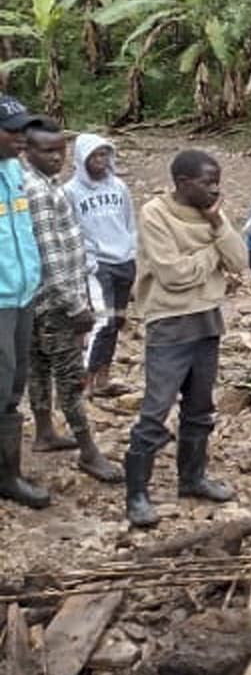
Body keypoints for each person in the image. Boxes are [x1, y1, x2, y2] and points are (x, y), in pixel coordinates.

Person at [123, 149, 248, 528]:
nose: (215, 190)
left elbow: (240, 260)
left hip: (206, 318)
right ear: (182, 183)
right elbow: (173, 275)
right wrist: (213, 253)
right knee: (156, 407)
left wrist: (216, 230)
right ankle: (137, 494)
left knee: (200, 406)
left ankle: (192, 478)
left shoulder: (212, 213)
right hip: (169, 321)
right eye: (207, 183)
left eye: (217, 183)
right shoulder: (155, 214)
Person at [22, 120, 121, 481]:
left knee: (37, 365)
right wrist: (77, 304)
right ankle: (88, 451)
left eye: (61, 152)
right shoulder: (40, 193)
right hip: (57, 302)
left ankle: (45, 430)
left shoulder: (42, 184)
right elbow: (49, 253)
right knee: (70, 376)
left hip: (37, 298)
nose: (56, 158)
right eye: (48, 151)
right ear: (27, 151)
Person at [0, 94, 49, 509]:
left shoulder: (14, 169)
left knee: (13, 386)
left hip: (21, 294)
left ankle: (8, 474)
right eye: (11, 130)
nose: (21, 137)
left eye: (23, 129)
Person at [65, 133, 135, 398]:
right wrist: (87, 261)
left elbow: (130, 222)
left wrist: (131, 250)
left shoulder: (119, 187)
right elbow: (71, 229)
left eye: (104, 154)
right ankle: (84, 380)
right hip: (96, 264)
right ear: (82, 159)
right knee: (100, 322)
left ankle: (103, 377)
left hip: (123, 260)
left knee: (116, 321)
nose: (100, 160)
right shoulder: (70, 192)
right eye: (94, 156)